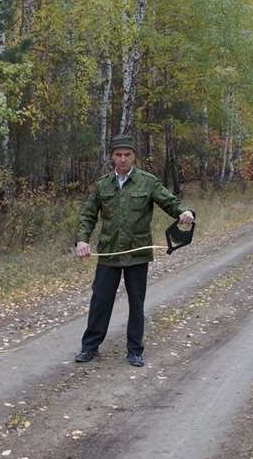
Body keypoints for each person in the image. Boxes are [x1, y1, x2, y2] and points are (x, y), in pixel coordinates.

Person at [74, 134, 194, 367]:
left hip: (137, 252)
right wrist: (81, 240)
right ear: (112, 157)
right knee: (100, 300)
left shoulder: (147, 182)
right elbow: (88, 215)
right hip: (109, 253)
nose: (122, 159)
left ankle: (135, 351)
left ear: (134, 156)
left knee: (136, 303)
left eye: (127, 154)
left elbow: (169, 202)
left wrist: (184, 212)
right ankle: (90, 347)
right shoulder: (102, 185)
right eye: (118, 155)